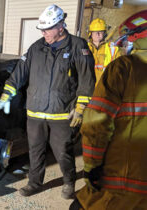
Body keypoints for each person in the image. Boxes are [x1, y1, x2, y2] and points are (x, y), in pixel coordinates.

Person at [0, 4, 95, 199]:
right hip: (35, 112)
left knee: (63, 151)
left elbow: (87, 80)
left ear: (60, 27)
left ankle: (69, 182)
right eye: (42, 29)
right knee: (35, 151)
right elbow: (19, 74)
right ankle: (34, 183)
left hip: (62, 113)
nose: (44, 33)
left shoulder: (78, 46)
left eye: (48, 29)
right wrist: (7, 94)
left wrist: (80, 108)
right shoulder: (36, 48)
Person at [71, 19, 147, 210]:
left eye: (101, 32)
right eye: (96, 32)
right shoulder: (84, 48)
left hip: (106, 99)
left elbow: (97, 123)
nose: (99, 35)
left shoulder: (121, 61)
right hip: (96, 96)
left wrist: (91, 166)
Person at [87, 18, 121, 86]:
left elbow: (120, 69)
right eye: (95, 32)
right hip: (86, 89)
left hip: (105, 88)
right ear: (91, 33)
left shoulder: (113, 49)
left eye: (100, 31)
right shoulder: (83, 48)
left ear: (104, 33)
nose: (98, 34)